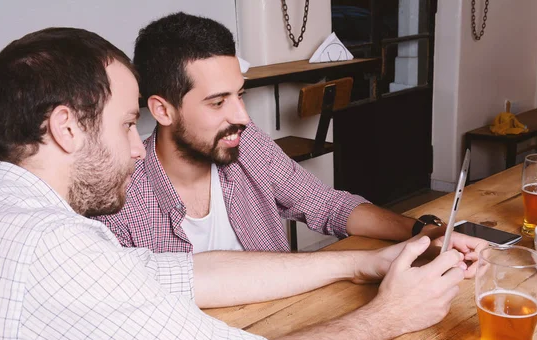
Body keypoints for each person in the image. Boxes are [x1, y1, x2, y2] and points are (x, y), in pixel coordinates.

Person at [0, 27, 483, 340]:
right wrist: (389, 315)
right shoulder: (56, 250)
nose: (135, 146)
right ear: (66, 127)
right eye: (127, 124)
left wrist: (367, 263)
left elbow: (187, 273)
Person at [93, 12, 466, 255]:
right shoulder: (119, 203)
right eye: (218, 102)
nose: (242, 116)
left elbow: (327, 205)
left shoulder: (246, 142)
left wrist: (421, 232)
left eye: (239, 95)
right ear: (162, 110)